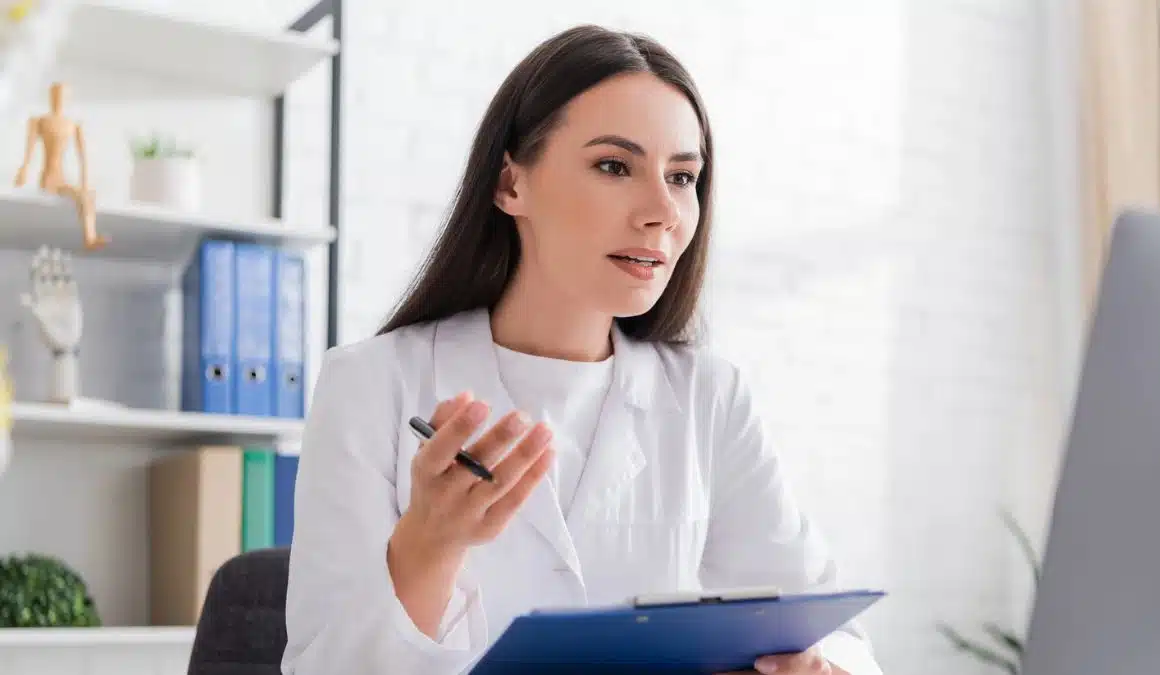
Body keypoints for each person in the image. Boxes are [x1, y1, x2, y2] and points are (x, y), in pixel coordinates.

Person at [280, 24, 883, 675]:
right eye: (614, 166)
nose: (662, 211)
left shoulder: (710, 396)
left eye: (682, 177)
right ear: (510, 183)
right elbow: (324, 665)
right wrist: (429, 546)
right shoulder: (371, 384)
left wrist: (819, 667)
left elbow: (835, 629)